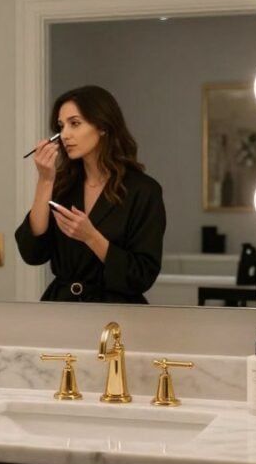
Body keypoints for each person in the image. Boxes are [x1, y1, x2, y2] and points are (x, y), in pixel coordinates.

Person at [15, 85, 166, 303]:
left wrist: (91, 237)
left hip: (115, 313)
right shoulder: (63, 186)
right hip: (61, 309)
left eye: (75, 123)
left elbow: (142, 275)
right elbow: (31, 253)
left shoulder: (143, 191)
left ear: (103, 126)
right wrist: (45, 179)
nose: (65, 135)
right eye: (61, 126)